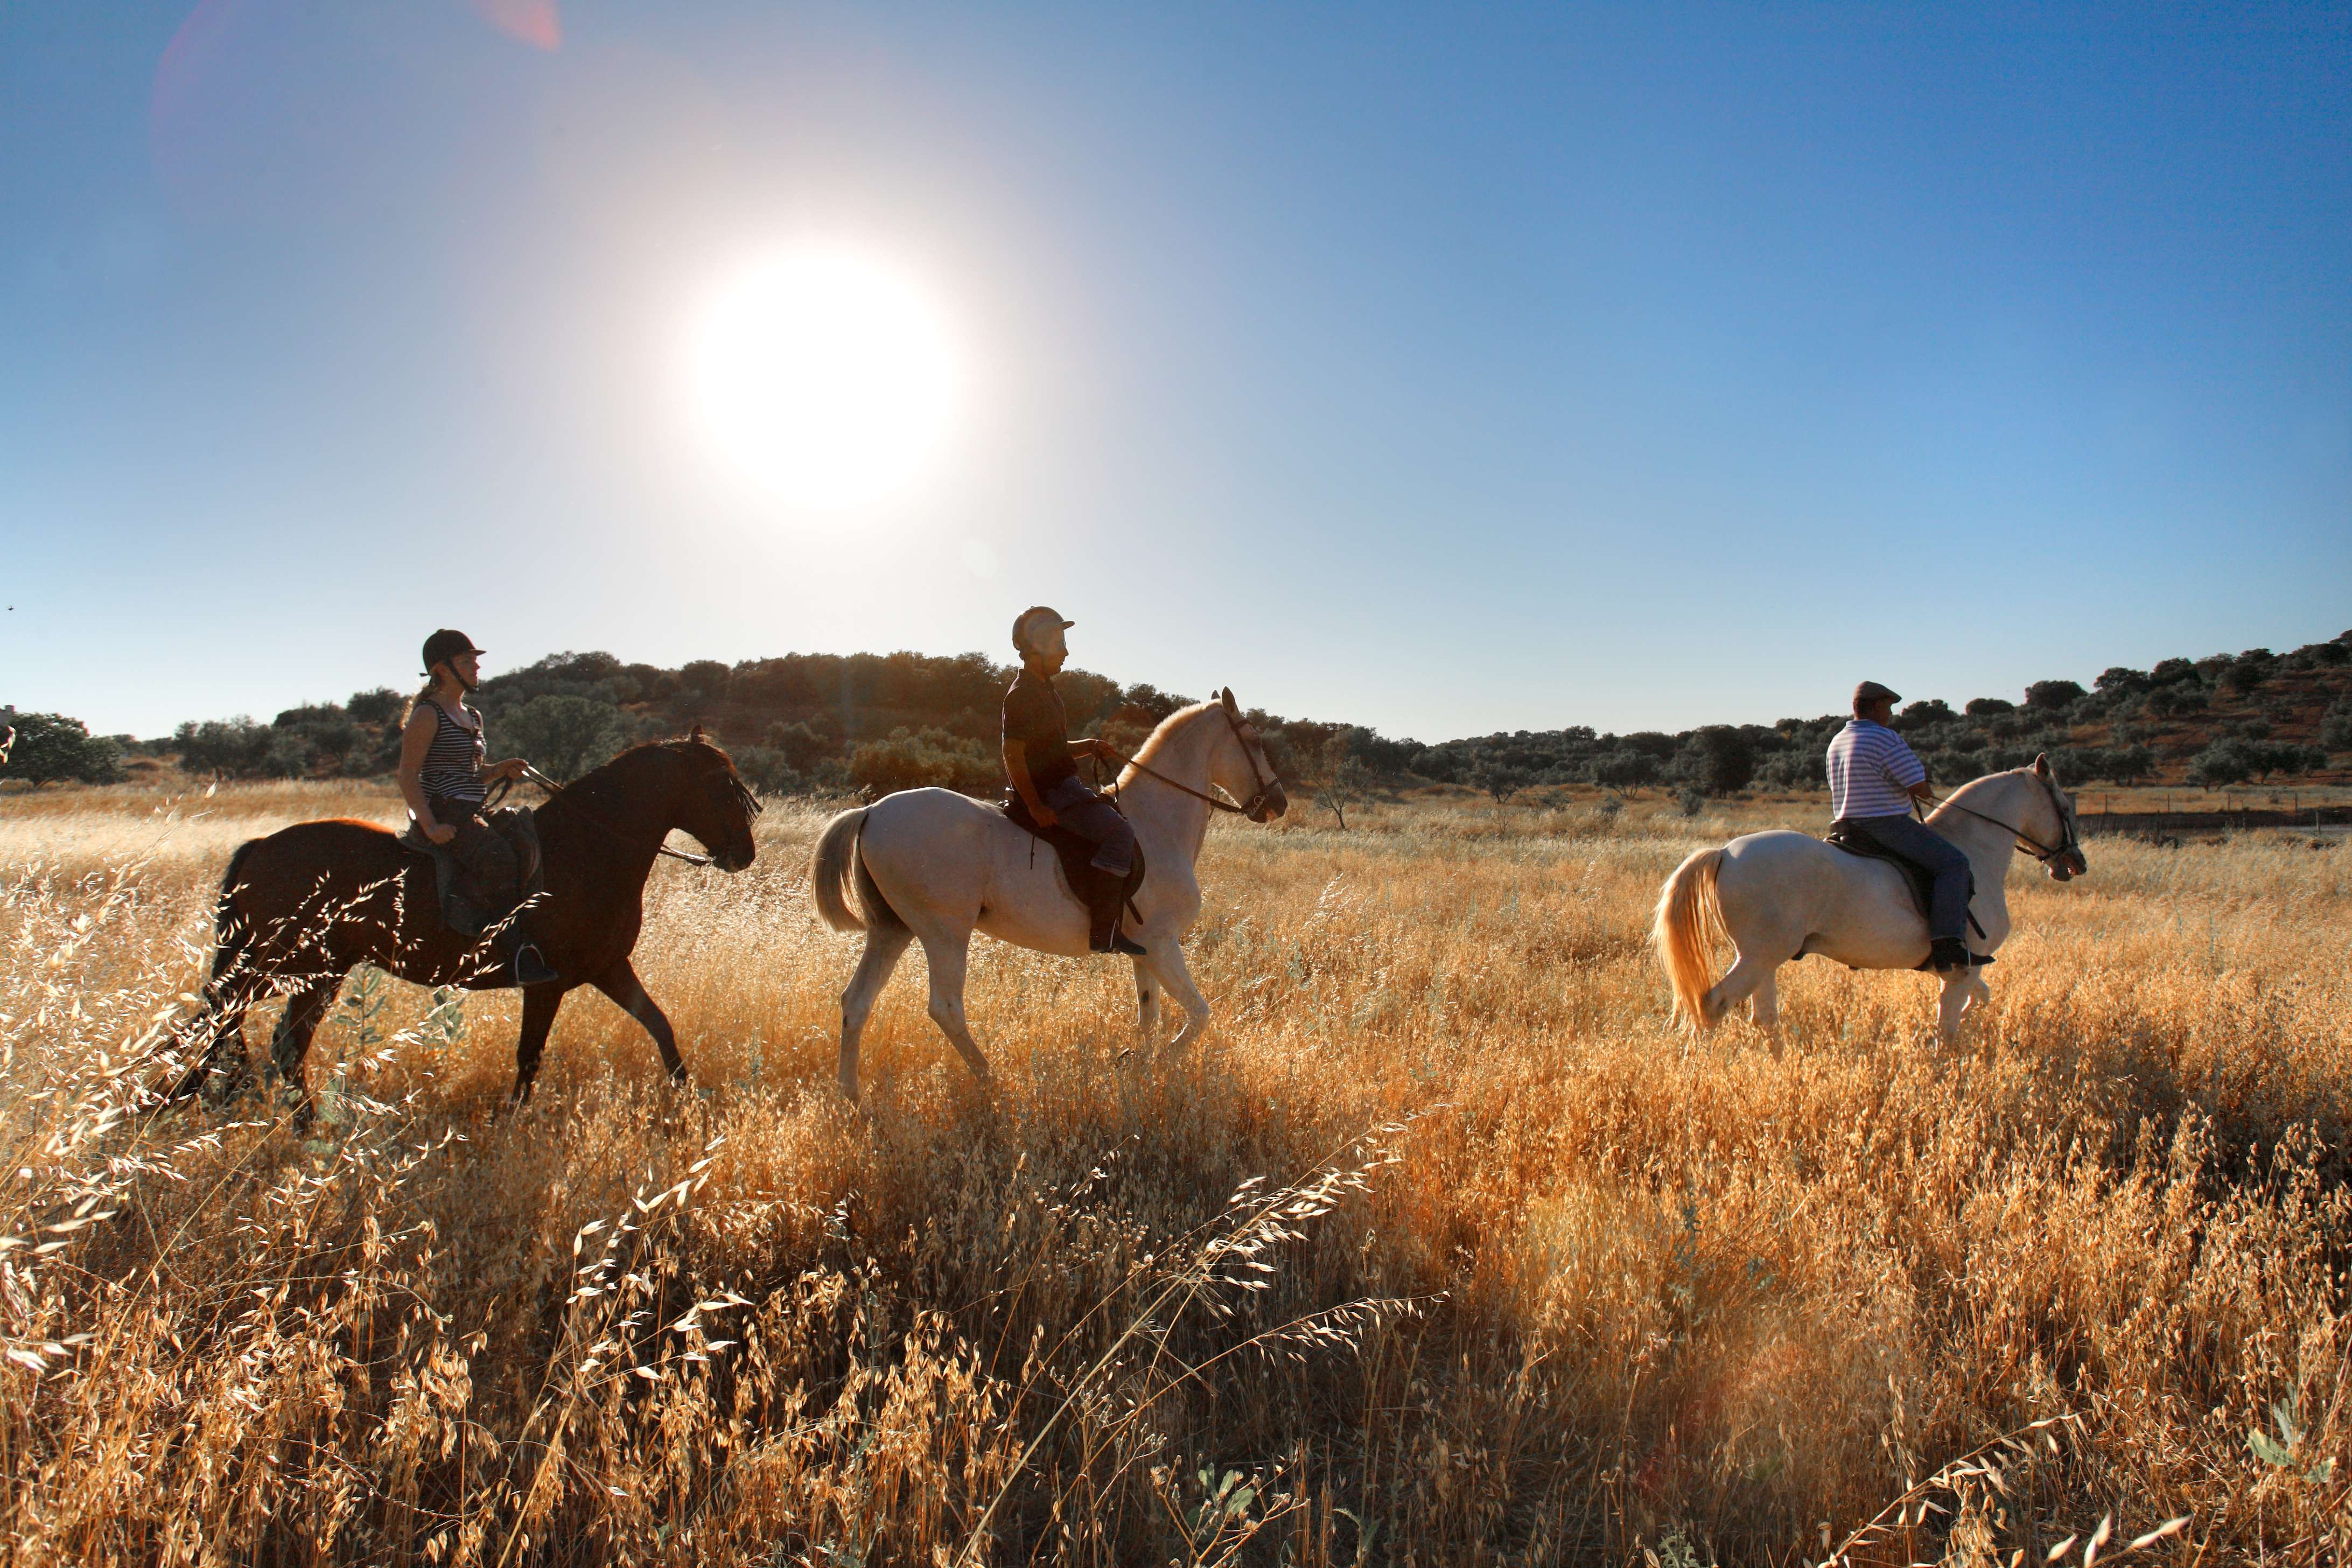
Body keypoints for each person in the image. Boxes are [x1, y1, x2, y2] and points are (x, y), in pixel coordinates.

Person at [396, 630, 557, 985]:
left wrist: (499, 770)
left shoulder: (472, 715)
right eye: (466, 660)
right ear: (443, 669)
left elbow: (470, 773)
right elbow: (407, 775)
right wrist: (430, 825)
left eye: (475, 660)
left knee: (527, 840)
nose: (476, 666)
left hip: (472, 809)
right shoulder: (427, 714)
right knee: (498, 859)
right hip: (443, 811)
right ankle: (511, 957)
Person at [1001, 606, 1145, 956]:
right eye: (1059, 643)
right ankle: (1104, 931)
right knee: (1120, 834)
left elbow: (1052, 748)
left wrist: (1090, 745)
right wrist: (1035, 805)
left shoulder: (1046, 692)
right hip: (1053, 793)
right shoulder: (1022, 695)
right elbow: (1013, 754)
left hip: (1062, 787)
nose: (1066, 652)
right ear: (1036, 646)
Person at [1826, 680, 1972, 973]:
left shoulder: (1837, 741)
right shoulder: (1885, 738)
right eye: (1889, 707)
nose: (1891, 714)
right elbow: (1919, 787)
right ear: (1877, 706)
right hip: (1885, 825)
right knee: (1954, 864)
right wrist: (1925, 787)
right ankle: (1947, 942)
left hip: (1844, 826)